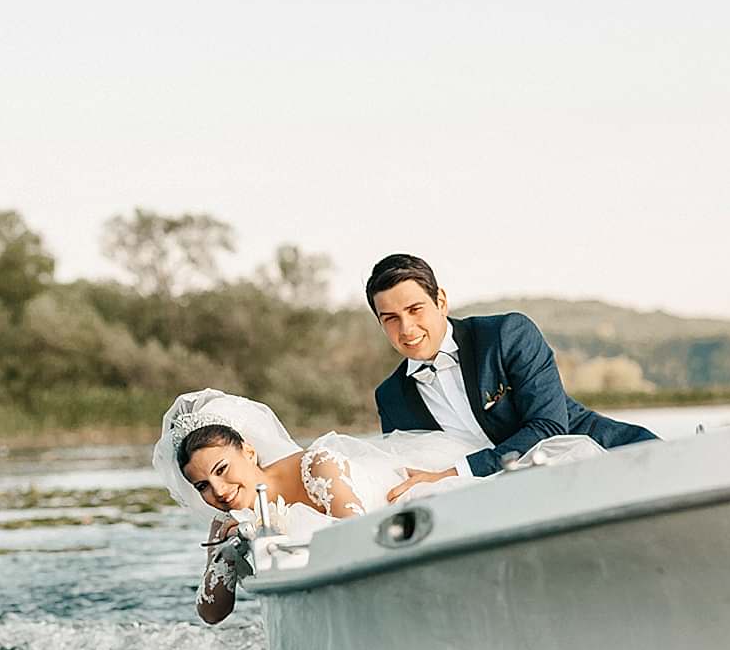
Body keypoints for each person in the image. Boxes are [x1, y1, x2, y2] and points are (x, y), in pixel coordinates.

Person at [154, 389, 602, 623]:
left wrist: (274, 539)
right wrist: (229, 553)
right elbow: (212, 614)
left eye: (222, 469)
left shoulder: (317, 466)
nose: (218, 490)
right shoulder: (226, 524)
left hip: (404, 537)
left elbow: (358, 544)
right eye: (202, 485)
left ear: (249, 452)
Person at [368, 253, 658, 500]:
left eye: (415, 310)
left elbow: (549, 427)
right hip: (499, 509)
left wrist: (454, 474)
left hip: (609, 462)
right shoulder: (391, 397)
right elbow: (410, 472)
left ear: (441, 301)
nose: (406, 328)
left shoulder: (506, 335)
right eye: (391, 318)